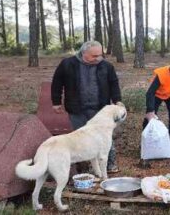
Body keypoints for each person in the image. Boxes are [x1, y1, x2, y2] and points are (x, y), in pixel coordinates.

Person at [51, 41, 121, 174]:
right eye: (94, 56)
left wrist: (117, 101)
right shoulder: (67, 64)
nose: (98, 58)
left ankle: (110, 163)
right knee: (83, 139)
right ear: (83, 53)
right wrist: (56, 102)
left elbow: (114, 84)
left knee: (105, 137)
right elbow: (57, 83)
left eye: (100, 55)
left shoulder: (106, 66)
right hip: (77, 109)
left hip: (100, 110)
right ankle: (89, 166)